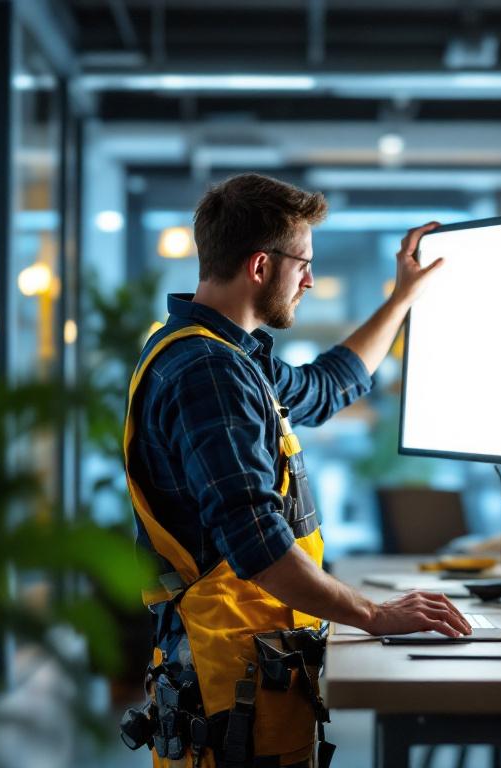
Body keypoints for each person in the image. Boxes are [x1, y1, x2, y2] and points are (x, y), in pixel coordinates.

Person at [119, 173, 471, 768]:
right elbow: (257, 544)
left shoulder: (224, 356)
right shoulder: (208, 373)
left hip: (249, 673)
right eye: (303, 263)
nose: (310, 279)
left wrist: (401, 297)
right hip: (229, 691)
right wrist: (377, 615)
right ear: (261, 266)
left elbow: (327, 385)